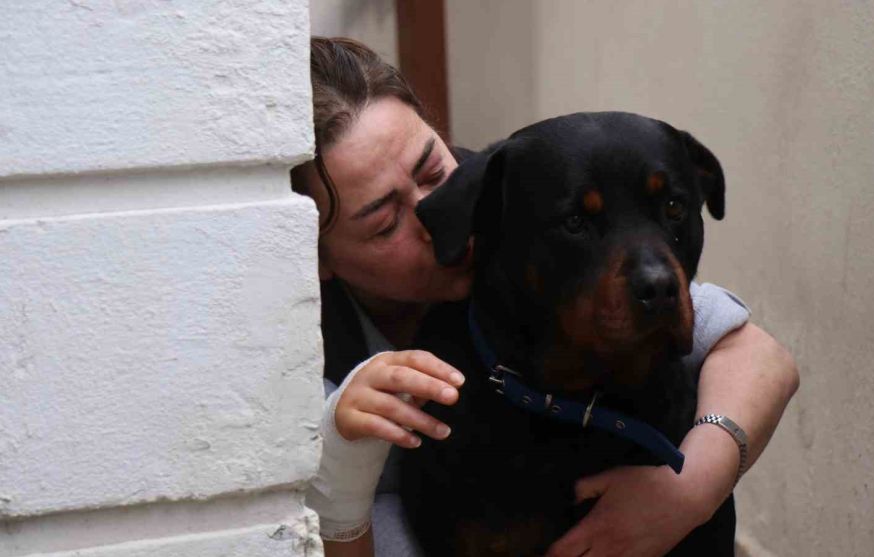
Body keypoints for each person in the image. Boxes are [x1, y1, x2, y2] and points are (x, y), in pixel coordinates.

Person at [290, 37, 799, 557]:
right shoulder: (295, 360)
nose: (433, 210)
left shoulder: (500, 193)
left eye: (431, 170)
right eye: (385, 221)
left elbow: (762, 358)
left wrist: (688, 491)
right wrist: (342, 456)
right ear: (316, 257)